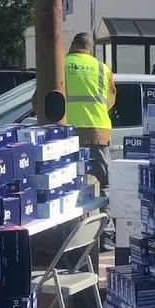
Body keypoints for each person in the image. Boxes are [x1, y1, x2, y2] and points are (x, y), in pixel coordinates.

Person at [64, 32, 117, 201]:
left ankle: (76, 215)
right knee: (104, 183)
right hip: (98, 131)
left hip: (68, 132)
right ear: (91, 50)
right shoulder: (102, 68)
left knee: (67, 182)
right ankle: (107, 216)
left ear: (72, 45)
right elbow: (110, 99)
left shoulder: (62, 64)